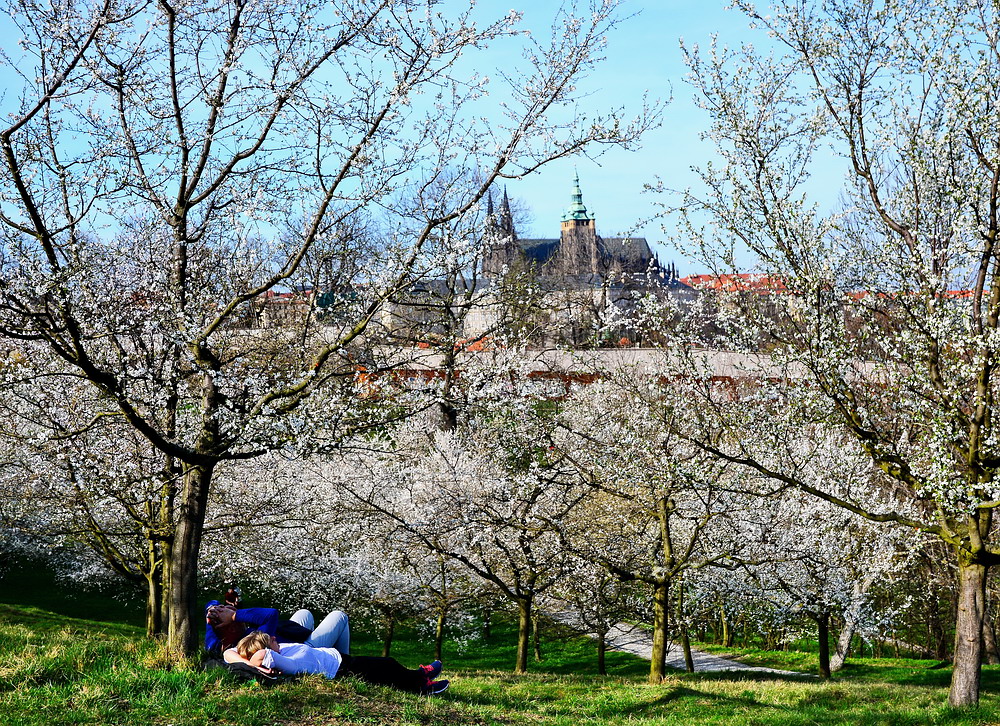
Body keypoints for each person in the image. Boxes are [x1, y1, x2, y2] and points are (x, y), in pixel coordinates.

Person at [225, 629, 449, 696]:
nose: (275, 638)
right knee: (386, 668)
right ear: (263, 648)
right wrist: (254, 662)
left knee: (387, 666)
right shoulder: (279, 660)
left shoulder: (278, 651)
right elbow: (261, 656)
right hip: (342, 669)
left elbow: (230, 652)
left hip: (342, 660)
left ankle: (419, 675)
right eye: (269, 641)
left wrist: (245, 657)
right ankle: (422, 685)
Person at [204, 593, 350, 656]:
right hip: (302, 649)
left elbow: (210, 616)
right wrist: (236, 615)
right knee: (339, 616)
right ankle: (343, 662)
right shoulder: (253, 639)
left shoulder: (214, 643)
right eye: (230, 614)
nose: (234, 611)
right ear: (230, 626)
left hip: (287, 635)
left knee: (304, 613)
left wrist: (212, 608)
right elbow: (271, 614)